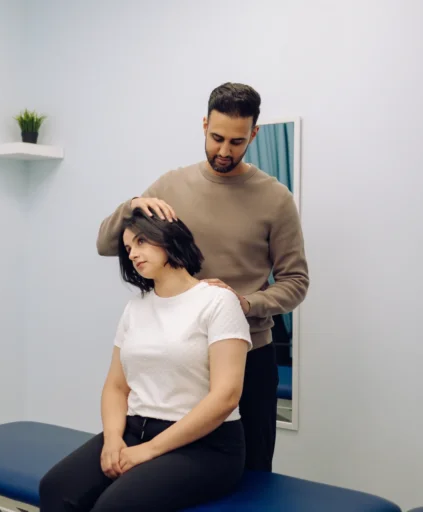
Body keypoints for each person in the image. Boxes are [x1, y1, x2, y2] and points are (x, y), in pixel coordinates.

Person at [95, 82, 309, 472]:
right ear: (204, 124)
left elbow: (296, 282)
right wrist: (129, 207)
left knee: (252, 473)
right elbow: (107, 244)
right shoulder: (169, 186)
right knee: (175, 473)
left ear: (254, 135)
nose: (224, 151)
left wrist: (247, 303)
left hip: (249, 354)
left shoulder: (275, 199)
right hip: (179, 356)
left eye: (237, 142)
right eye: (216, 138)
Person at [39, 208, 253, 512]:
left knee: (114, 506)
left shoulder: (217, 302)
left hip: (205, 446)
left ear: (170, 238)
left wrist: (149, 450)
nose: (133, 254)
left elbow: (226, 396)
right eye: (128, 249)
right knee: (55, 488)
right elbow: (116, 387)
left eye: (141, 242)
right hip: (134, 430)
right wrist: (112, 440)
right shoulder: (135, 308)